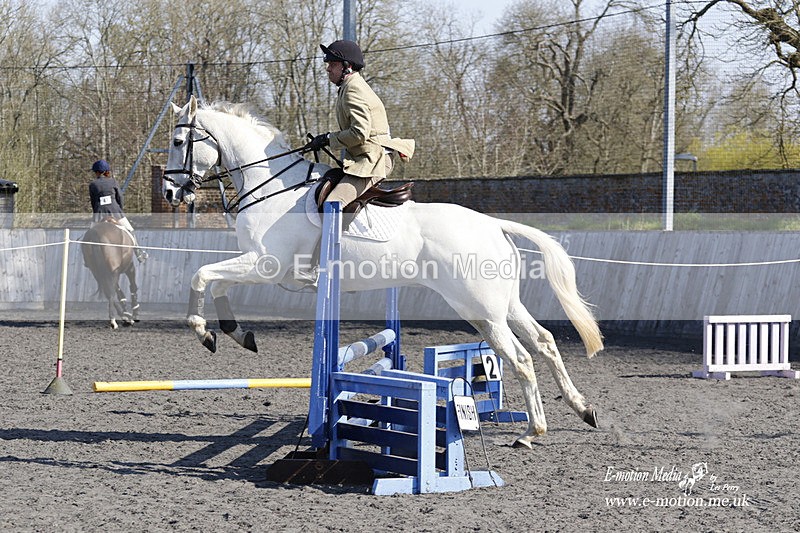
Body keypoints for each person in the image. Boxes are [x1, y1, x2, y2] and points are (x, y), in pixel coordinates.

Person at [307, 39, 415, 210]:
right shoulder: (349, 86)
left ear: (346, 66)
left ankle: (334, 238)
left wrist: (328, 138)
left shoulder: (353, 89)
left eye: (332, 64)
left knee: (332, 204)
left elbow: (359, 133)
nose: (328, 68)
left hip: (373, 160)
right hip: (366, 156)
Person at [88, 159, 148, 263]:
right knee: (130, 230)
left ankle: (89, 259)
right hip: (115, 211)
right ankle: (138, 253)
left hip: (99, 213)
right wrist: (119, 209)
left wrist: (96, 213)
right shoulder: (113, 181)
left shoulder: (93, 184)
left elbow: (93, 202)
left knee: (90, 234)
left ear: (97, 172)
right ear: (106, 171)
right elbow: (120, 197)